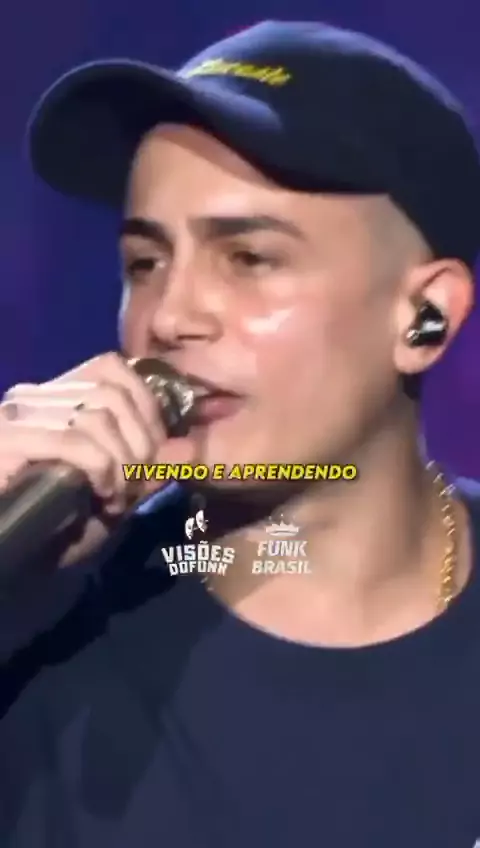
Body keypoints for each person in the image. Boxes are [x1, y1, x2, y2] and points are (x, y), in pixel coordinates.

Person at [1, 19, 480, 848]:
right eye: (145, 263)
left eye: (249, 258)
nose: (169, 317)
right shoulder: (40, 620)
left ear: (425, 316)